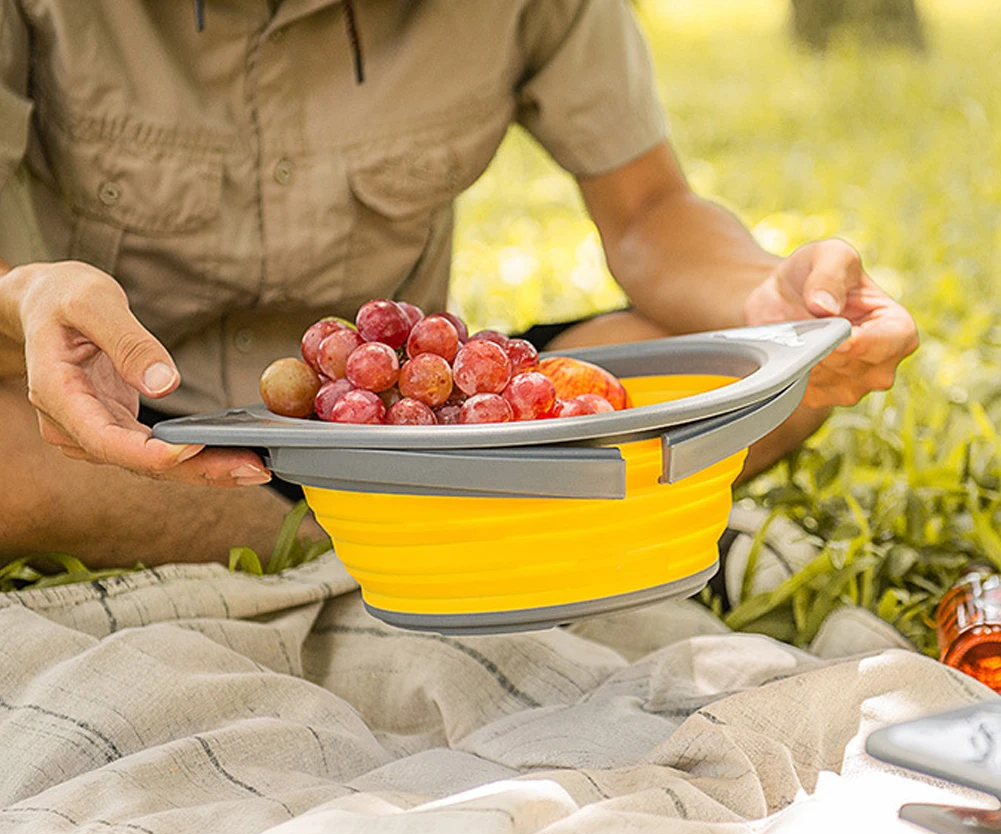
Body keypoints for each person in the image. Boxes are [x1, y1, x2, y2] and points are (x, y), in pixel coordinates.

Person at [0, 0, 917, 569]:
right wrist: (25, 299)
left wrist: (766, 306)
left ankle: (364, 551)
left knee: (755, 375)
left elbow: (647, 210)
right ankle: (392, 556)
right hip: (113, 433)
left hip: (422, 441)